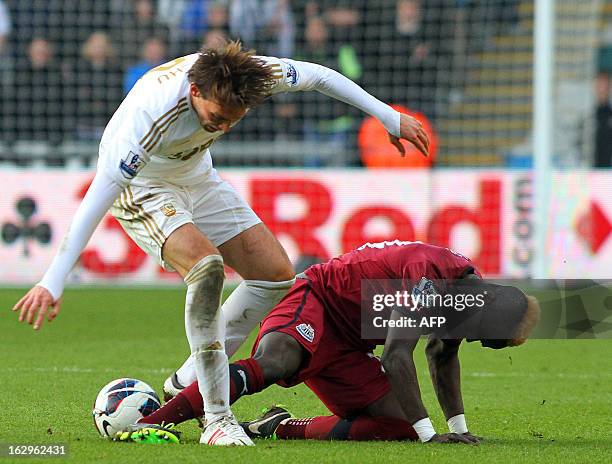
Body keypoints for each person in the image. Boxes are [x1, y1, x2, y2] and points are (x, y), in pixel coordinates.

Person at [12, 41, 429, 446]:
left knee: (274, 276)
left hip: (196, 177)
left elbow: (318, 76)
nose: (225, 125)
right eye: (217, 116)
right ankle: (216, 419)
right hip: (142, 187)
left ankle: (187, 378)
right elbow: (97, 197)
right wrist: (53, 279)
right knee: (207, 268)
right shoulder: (148, 118)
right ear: (195, 91)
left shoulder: (250, 76)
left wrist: (386, 116)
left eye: (234, 118)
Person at [118, 240, 540, 445]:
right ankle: (150, 422)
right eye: (484, 337)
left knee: (399, 426)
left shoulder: (466, 292)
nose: (471, 339)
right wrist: (432, 436)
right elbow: (396, 357)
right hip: (317, 299)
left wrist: (457, 430)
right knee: (278, 360)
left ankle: (276, 427)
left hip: (349, 347)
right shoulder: (428, 278)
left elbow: (441, 354)